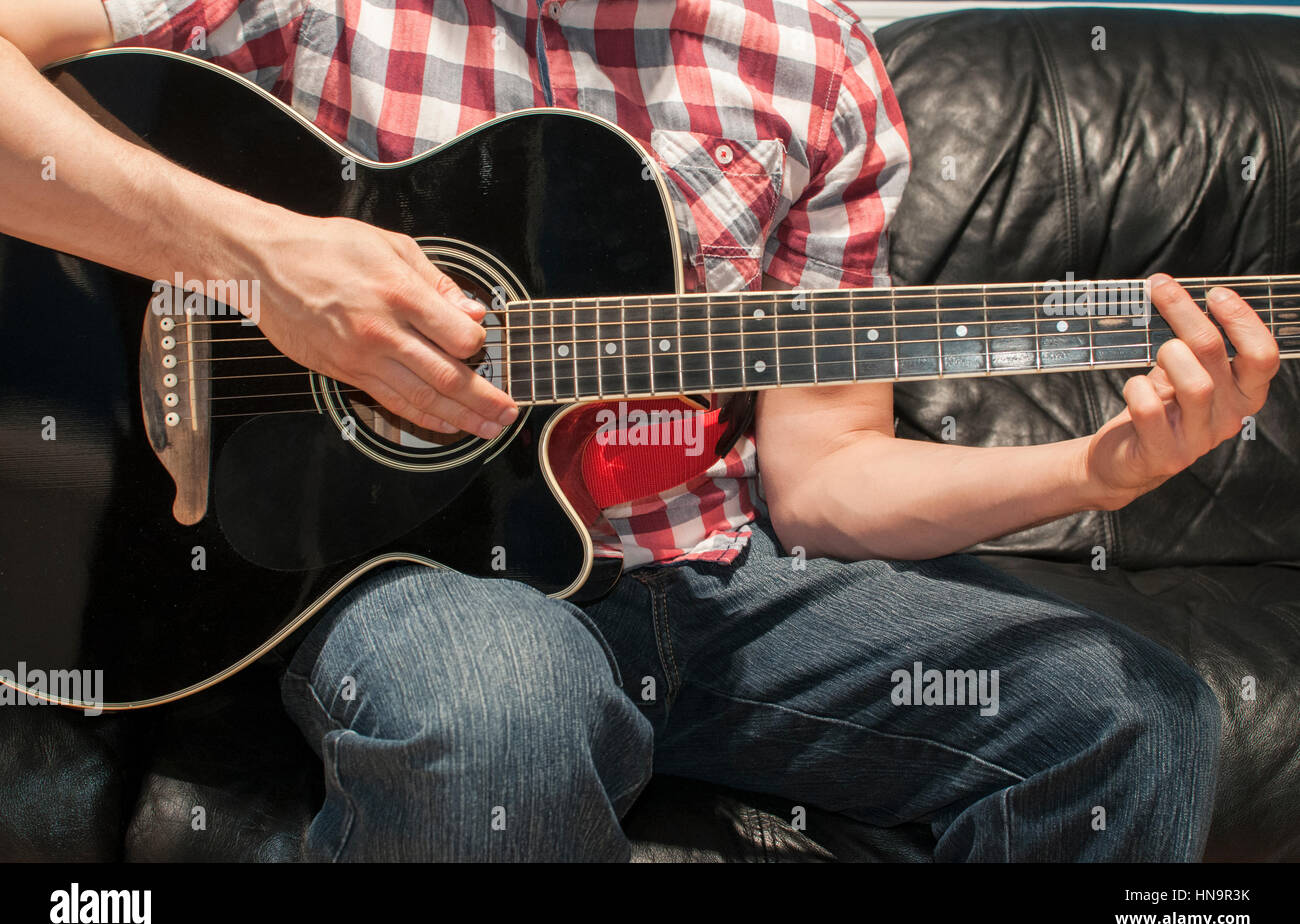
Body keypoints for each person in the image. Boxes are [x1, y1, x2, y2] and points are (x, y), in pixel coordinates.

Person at [0, 0, 1280, 861]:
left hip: (716, 579)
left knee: (1128, 712)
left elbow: (825, 478)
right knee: (504, 706)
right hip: (412, 564)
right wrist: (257, 255)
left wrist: (1101, 468)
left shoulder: (817, 60)